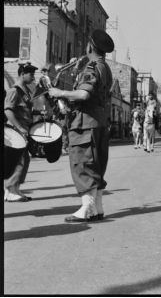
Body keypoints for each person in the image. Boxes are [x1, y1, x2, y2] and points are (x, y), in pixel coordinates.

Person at [48, 29, 114, 222]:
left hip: (85, 123)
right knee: (97, 165)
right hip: (99, 122)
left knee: (82, 164)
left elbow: (84, 94)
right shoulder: (105, 67)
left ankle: (86, 207)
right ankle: (97, 207)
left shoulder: (92, 67)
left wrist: (60, 93)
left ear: (91, 46)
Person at [4, 62, 38, 202]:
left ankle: (15, 189)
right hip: (16, 131)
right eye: (30, 74)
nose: (33, 76)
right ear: (22, 74)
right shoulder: (14, 91)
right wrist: (19, 127)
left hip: (24, 131)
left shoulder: (25, 91)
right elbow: (7, 111)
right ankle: (10, 190)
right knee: (18, 160)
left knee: (24, 160)